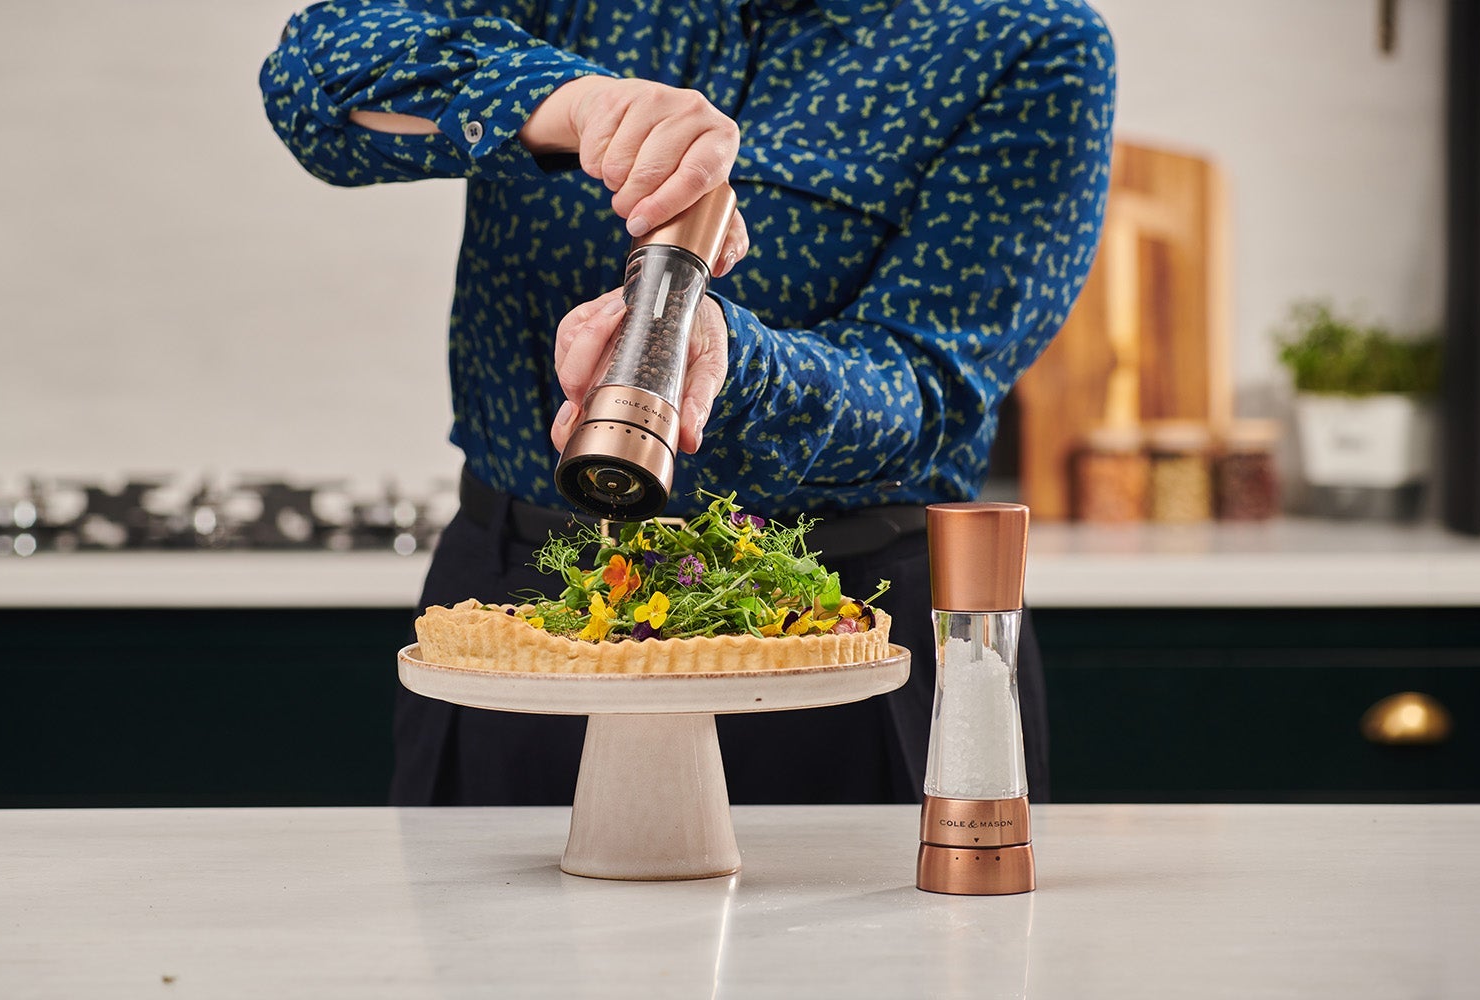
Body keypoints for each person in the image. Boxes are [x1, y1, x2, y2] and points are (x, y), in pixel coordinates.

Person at [261, 0, 1114, 806]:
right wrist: (572, 102)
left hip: (851, 634)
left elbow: (929, 388)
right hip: (523, 612)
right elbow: (312, 77)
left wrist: (736, 362)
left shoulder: (1027, 34)